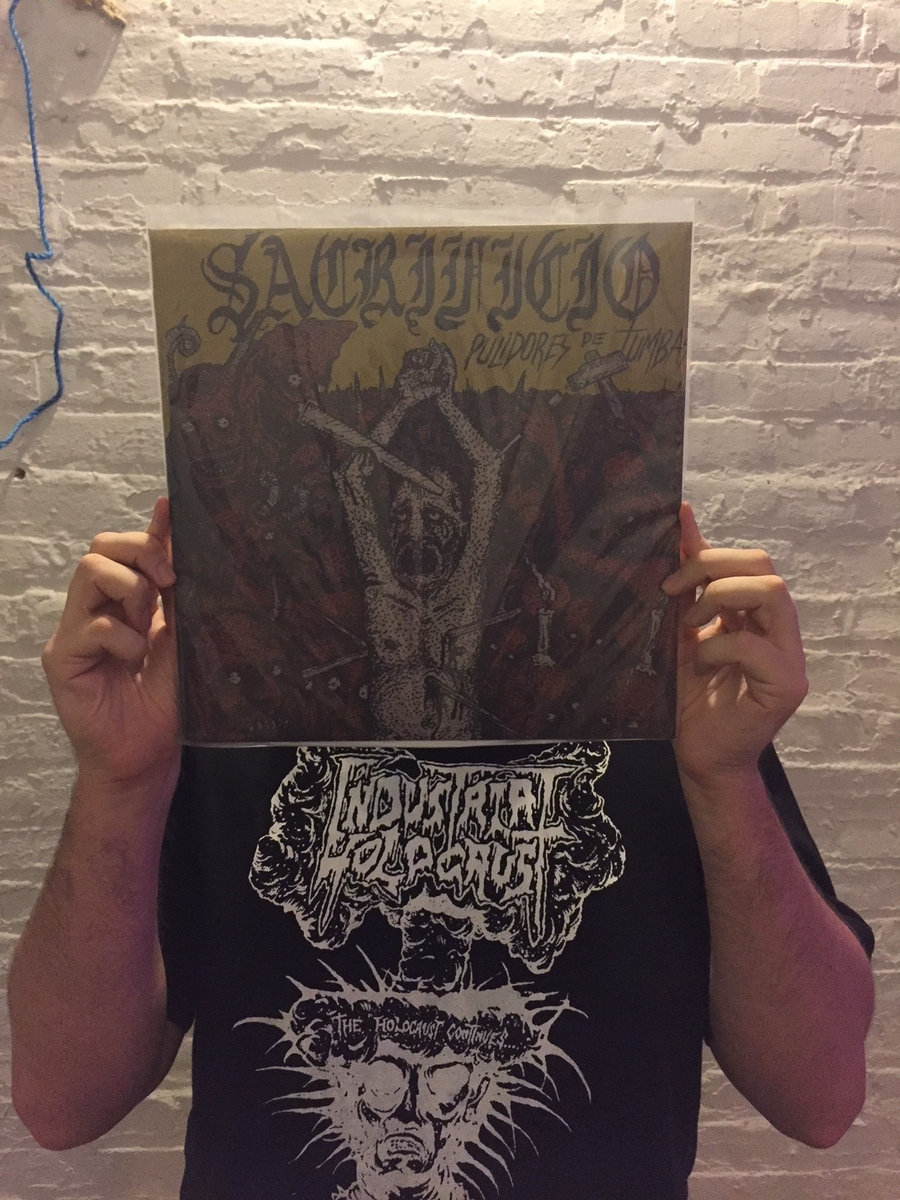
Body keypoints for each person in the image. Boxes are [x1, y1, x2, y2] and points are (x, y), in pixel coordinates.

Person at [8, 498, 875, 1200]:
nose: (425, 547)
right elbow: (63, 1102)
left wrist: (724, 777)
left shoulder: (667, 704)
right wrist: (118, 780)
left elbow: (819, 1097)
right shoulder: (232, 702)